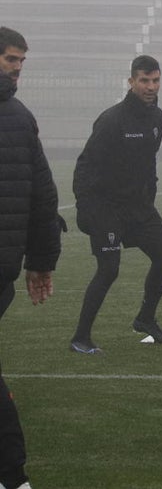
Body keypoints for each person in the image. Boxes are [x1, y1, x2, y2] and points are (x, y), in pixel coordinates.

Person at [70, 55, 162, 354]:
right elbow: (84, 166)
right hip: (105, 206)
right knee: (109, 269)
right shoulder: (112, 120)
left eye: (155, 80)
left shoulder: (159, 118)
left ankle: (145, 319)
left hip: (139, 207)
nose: (151, 86)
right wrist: (86, 209)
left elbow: (148, 162)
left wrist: (148, 198)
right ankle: (80, 337)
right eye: (144, 80)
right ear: (131, 82)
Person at [0, 26, 62, 489]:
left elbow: (43, 195)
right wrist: (41, 260)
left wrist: (41, 261)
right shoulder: (19, 116)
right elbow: (44, 196)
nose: (17, 69)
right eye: (11, 60)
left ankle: (12, 474)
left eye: (21, 61)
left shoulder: (19, 117)